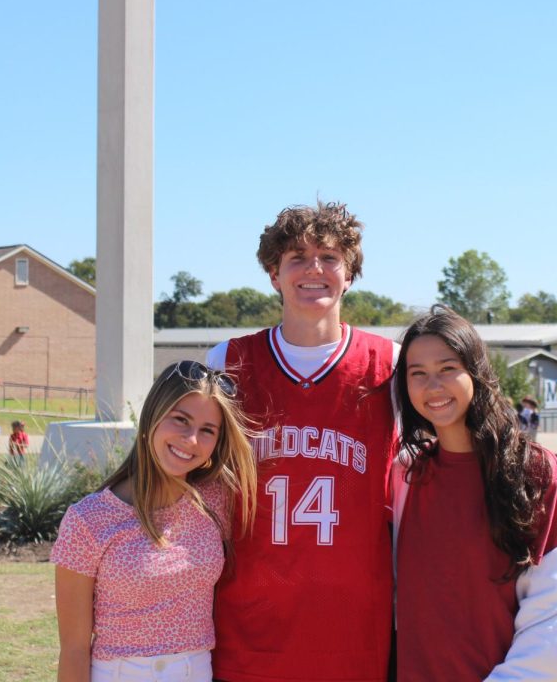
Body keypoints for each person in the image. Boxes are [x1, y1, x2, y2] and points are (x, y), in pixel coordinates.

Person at [206, 201, 397, 682]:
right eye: (297, 257)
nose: (315, 269)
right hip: (250, 625)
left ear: (349, 274)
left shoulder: (390, 364)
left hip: (355, 629)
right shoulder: (227, 360)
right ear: (273, 274)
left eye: (330, 257)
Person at [391, 306, 557, 680]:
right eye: (417, 374)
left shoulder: (533, 471)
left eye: (447, 369)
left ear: (476, 372)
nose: (432, 386)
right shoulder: (405, 474)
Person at [51, 360, 257, 682]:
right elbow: (75, 649)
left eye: (207, 430)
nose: (191, 439)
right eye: (180, 420)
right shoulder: (88, 521)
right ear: (152, 418)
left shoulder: (216, 502)